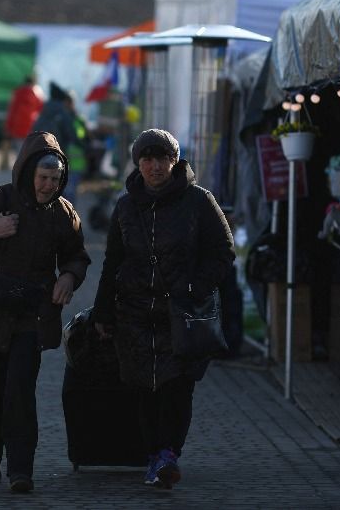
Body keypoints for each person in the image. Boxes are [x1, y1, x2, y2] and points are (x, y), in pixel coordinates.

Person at [89, 128, 235, 490]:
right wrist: (102, 312)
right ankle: (154, 453)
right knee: (143, 387)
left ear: (175, 160)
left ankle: (168, 453)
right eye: (147, 159)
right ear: (138, 163)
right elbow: (112, 262)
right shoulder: (125, 206)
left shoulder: (198, 201)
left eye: (162, 159)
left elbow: (223, 250)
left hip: (182, 314)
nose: (155, 166)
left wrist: (195, 287)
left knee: (177, 385)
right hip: (135, 312)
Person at [0, 131, 91, 494]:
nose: (47, 186)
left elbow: (77, 255)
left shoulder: (63, 213)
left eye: (55, 180)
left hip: (33, 317)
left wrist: (69, 277)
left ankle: (20, 470)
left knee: (20, 392)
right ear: (28, 172)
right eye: (43, 178)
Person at [3, 75, 44, 168]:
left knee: (19, 150)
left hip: (17, 127)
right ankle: (28, 167)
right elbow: (41, 110)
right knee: (31, 149)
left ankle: (21, 168)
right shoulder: (38, 93)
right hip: (32, 126)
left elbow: (12, 111)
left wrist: (8, 127)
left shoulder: (18, 93)